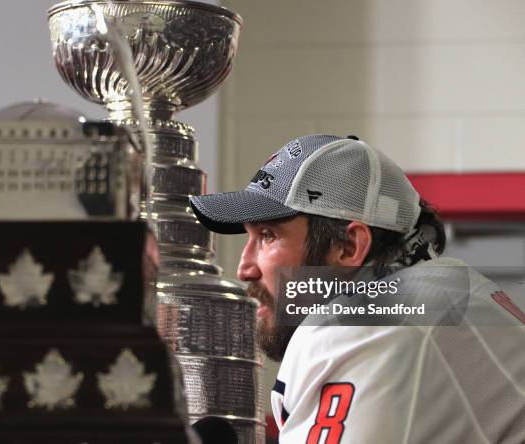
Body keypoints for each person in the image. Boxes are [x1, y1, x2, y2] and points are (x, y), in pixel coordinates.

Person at [189, 135, 525, 443]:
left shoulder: (366, 327)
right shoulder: (444, 292)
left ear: (350, 247)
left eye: (268, 236)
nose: (244, 268)